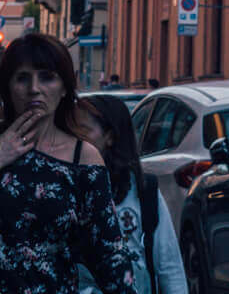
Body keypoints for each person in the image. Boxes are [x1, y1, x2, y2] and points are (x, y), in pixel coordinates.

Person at [0, 33, 135, 294]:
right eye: (22, 78)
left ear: (64, 88)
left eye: (47, 76)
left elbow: (109, 255)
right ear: (7, 88)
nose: (34, 88)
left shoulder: (82, 158)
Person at [79, 96, 187, 294]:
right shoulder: (64, 190)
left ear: (110, 136)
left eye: (83, 131)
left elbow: (169, 265)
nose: (76, 139)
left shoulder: (143, 191)